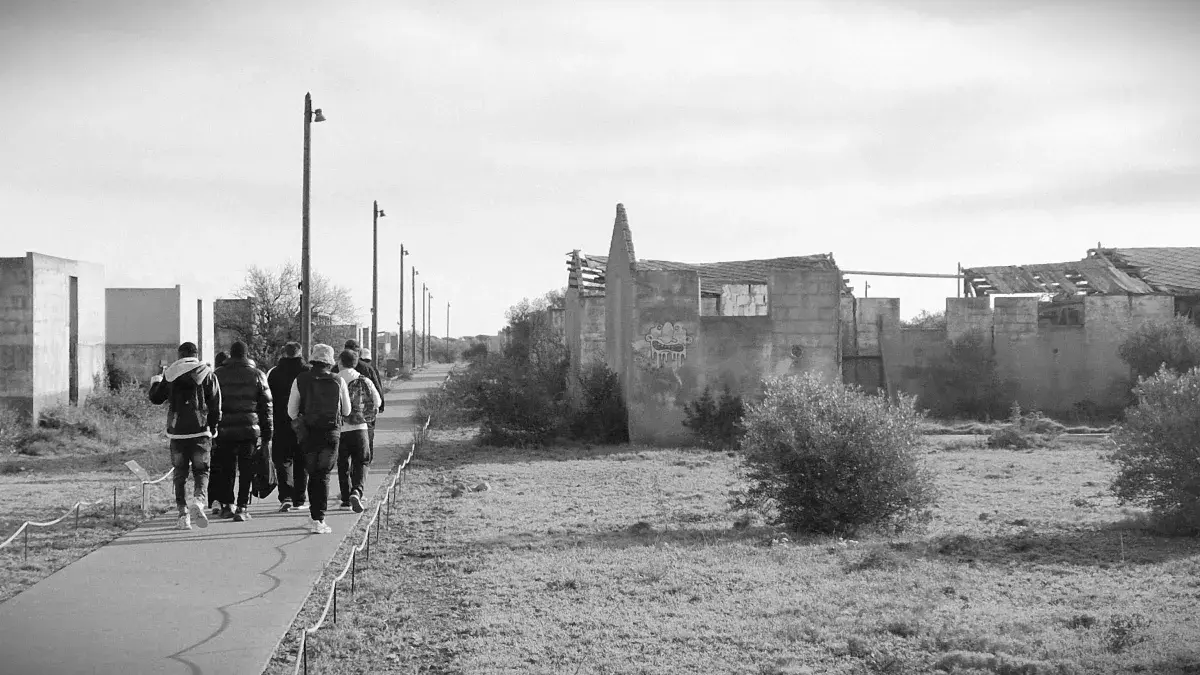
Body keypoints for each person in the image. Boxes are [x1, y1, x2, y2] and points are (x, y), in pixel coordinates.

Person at [148, 342, 222, 530]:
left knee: (180, 474)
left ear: (180, 355)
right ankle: (198, 500)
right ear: (196, 354)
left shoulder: (171, 374)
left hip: (177, 432)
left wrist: (156, 381)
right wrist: (213, 427)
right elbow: (215, 405)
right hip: (201, 431)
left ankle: (183, 514)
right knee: (202, 470)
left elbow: (156, 398)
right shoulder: (207, 374)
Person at [288, 344, 350, 534]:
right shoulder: (338, 381)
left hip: (308, 432)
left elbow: (291, 411)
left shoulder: (301, 379)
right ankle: (318, 517)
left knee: (311, 471)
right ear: (330, 362)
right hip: (331, 432)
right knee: (322, 475)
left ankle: (314, 514)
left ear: (313, 359)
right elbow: (346, 410)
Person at [211, 341, 273, 522]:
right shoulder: (258, 375)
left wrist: (212, 427)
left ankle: (227, 504)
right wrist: (268, 434)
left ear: (230, 354)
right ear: (247, 354)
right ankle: (242, 506)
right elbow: (267, 407)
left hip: (224, 430)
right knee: (247, 470)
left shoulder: (218, 375)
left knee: (226, 468)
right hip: (249, 430)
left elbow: (211, 403)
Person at [335, 349, 380, 513]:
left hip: (340, 428)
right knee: (361, 461)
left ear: (340, 361)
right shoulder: (365, 380)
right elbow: (378, 401)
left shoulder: (336, 379)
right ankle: (357, 491)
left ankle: (346, 499)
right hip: (361, 427)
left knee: (342, 463)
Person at [267, 341, 310, 512]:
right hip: (303, 423)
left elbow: (268, 398)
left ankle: (285, 496)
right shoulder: (307, 372)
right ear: (300, 353)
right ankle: (299, 498)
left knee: (282, 460)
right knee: (302, 460)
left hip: (280, 422)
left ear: (284, 353)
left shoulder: (274, 373)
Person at [338, 339, 385, 453]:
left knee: (343, 455)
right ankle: (367, 464)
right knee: (365, 447)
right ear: (358, 352)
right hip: (364, 417)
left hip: (342, 420)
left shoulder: (337, 369)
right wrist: (380, 406)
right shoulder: (367, 368)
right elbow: (377, 388)